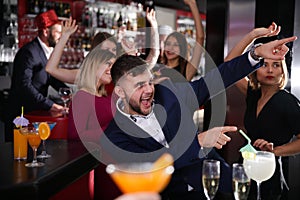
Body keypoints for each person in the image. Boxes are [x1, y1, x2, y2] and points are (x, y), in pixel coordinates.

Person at [99, 35, 297, 200]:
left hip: (217, 183)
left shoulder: (168, 93)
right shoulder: (114, 137)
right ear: (120, 92)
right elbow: (151, 167)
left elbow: (213, 81)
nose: (149, 90)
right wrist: (198, 141)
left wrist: (255, 55)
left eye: (149, 82)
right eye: (138, 86)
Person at [225, 22, 300, 200]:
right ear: (255, 70)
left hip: (270, 174)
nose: (270, 70)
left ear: (283, 71)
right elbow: (230, 64)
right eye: (264, 64)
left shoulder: (287, 101)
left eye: (276, 65)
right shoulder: (253, 94)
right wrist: (253, 37)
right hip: (246, 169)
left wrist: (275, 151)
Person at [4, 10, 67, 142]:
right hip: (21, 115)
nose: (61, 36)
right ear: (45, 32)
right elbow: (24, 86)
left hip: (34, 114)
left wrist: (70, 94)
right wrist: (50, 105)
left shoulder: (47, 51)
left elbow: (52, 78)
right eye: (58, 32)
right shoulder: (29, 52)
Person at [158, 0, 205, 81]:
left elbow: (200, 38)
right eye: (168, 44)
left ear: (182, 48)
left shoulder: (186, 70)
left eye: (176, 45)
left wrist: (192, 4)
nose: (170, 48)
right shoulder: (158, 67)